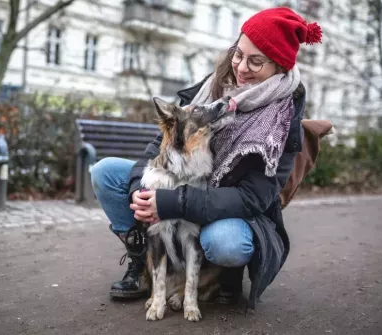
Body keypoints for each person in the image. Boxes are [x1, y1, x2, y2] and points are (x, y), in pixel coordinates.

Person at [91, 7, 322, 307]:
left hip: (236, 210)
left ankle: (225, 273)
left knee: (225, 243)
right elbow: (159, 145)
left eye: (256, 61)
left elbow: (252, 198)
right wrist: (140, 189)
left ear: (279, 66)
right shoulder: (213, 85)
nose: (241, 67)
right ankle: (142, 260)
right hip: (186, 180)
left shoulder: (282, 117)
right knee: (106, 172)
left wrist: (173, 202)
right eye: (239, 54)